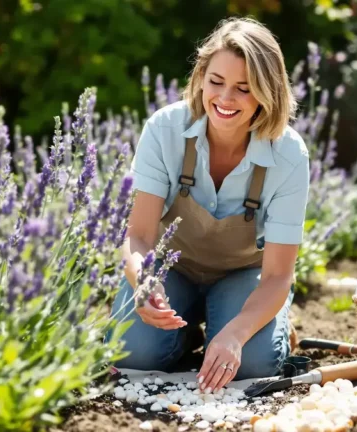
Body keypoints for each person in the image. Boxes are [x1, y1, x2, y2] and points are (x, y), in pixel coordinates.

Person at [110, 16, 309, 393]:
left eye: (244, 89)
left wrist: (237, 333)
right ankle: (186, 338)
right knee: (132, 354)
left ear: (269, 93)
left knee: (253, 364)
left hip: (243, 277)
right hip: (172, 269)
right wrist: (143, 281)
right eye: (215, 82)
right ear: (201, 76)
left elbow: (278, 275)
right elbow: (138, 235)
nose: (225, 99)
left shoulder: (288, 154)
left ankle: (253, 325)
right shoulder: (165, 130)